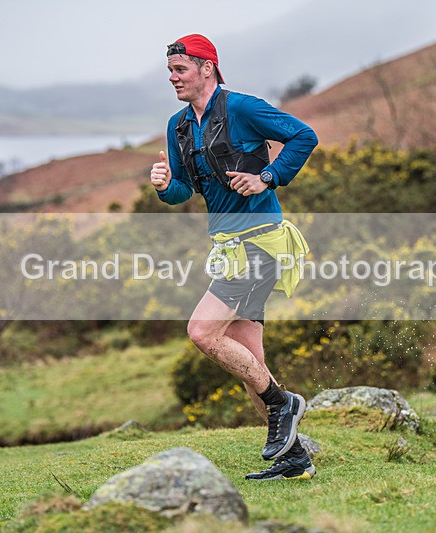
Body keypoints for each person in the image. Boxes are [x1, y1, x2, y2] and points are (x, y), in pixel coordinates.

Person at [150, 34, 319, 481]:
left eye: (180, 69)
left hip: (262, 242)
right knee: (249, 360)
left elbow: (305, 136)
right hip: (227, 248)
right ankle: (294, 458)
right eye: (170, 70)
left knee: (202, 331)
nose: (173, 78)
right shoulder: (178, 126)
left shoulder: (242, 108)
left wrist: (268, 176)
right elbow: (186, 189)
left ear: (207, 67)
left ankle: (284, 404)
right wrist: (166, 185)